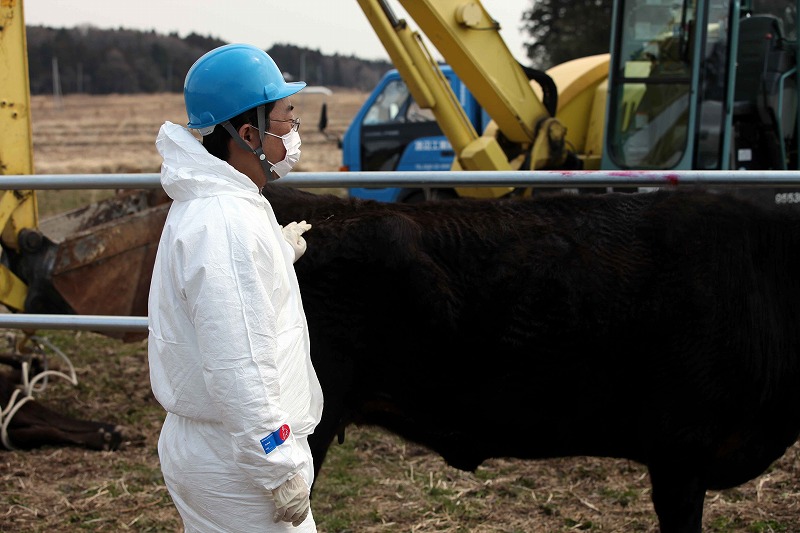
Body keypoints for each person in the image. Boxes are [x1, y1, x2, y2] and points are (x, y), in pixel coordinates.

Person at [147, 43, 324, 532]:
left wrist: (276, 253)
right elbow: (237, 359)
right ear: (248, 134)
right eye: (286, 120)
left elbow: (224, 295)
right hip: (240, 459)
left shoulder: (219, 203)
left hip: (219, 444)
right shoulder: (226, 223)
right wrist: (279, 465)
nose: (293, 133)